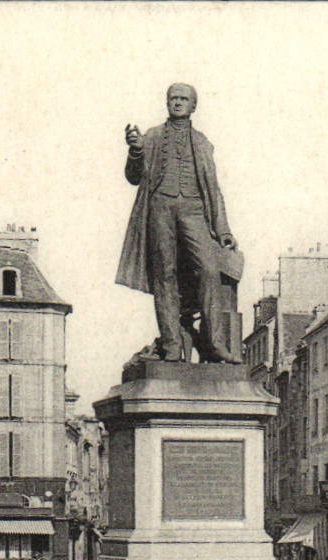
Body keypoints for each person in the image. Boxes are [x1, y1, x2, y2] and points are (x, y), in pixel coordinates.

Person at [117, 83, 239, 363]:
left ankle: (215, 344)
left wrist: (223, 230)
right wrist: (135, 151)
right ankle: (172, 345)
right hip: (160, 208)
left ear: (193, 106)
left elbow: (214, 190)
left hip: (194, 210)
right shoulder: (152, 136)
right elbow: (133, 177)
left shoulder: (203, 143)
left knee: (209, 270)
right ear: (167, 102)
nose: (178, 102)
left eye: (184, 99)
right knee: (165, 275)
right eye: (173, 98)